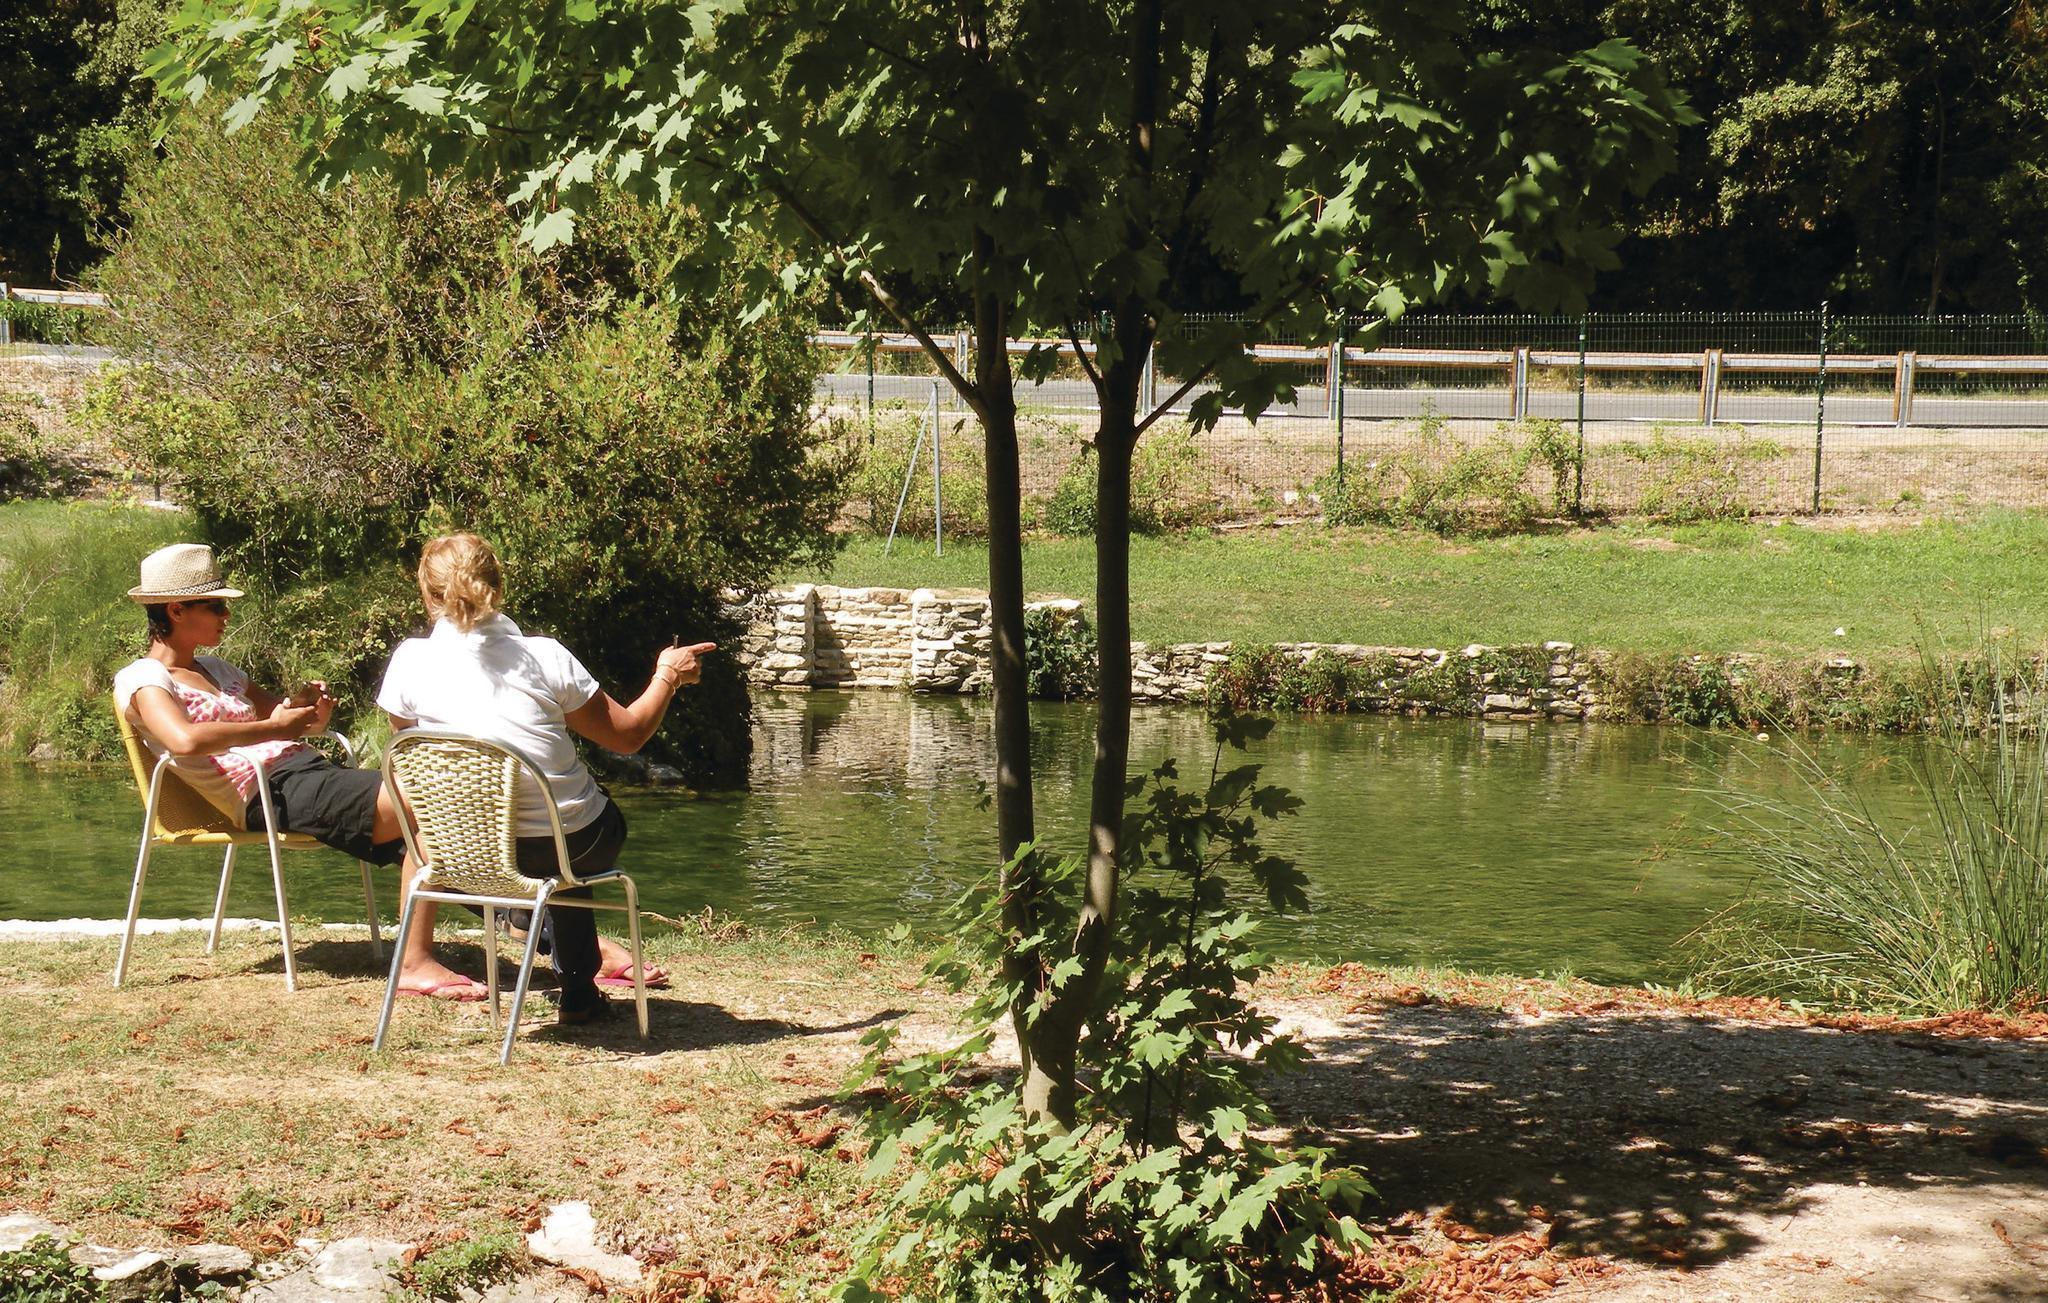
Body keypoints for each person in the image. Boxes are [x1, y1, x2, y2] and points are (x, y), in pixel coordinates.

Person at [376, 532, 714, 1026]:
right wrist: (668, 674)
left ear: (428, 594)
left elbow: (415, 754)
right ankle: (578, 991)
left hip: (463, 850)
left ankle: (569, 978)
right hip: (564, 846)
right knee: (573, 829)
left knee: (550, 831)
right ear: (498, 586)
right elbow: (628, 736)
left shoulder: (408, 660)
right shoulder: (543, 656)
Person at [110, 544, 474, 991]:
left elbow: (286, 721)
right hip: (267, 792)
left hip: (308, 774)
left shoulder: (219, 669)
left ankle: (541, 933)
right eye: (216, 606)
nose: (227, 615)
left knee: (442, 828)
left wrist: (307, 711)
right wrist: (274, 727)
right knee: (432, 796)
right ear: (177, 610)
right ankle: (416, 964)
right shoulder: (144, 678)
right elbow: (182, 740)